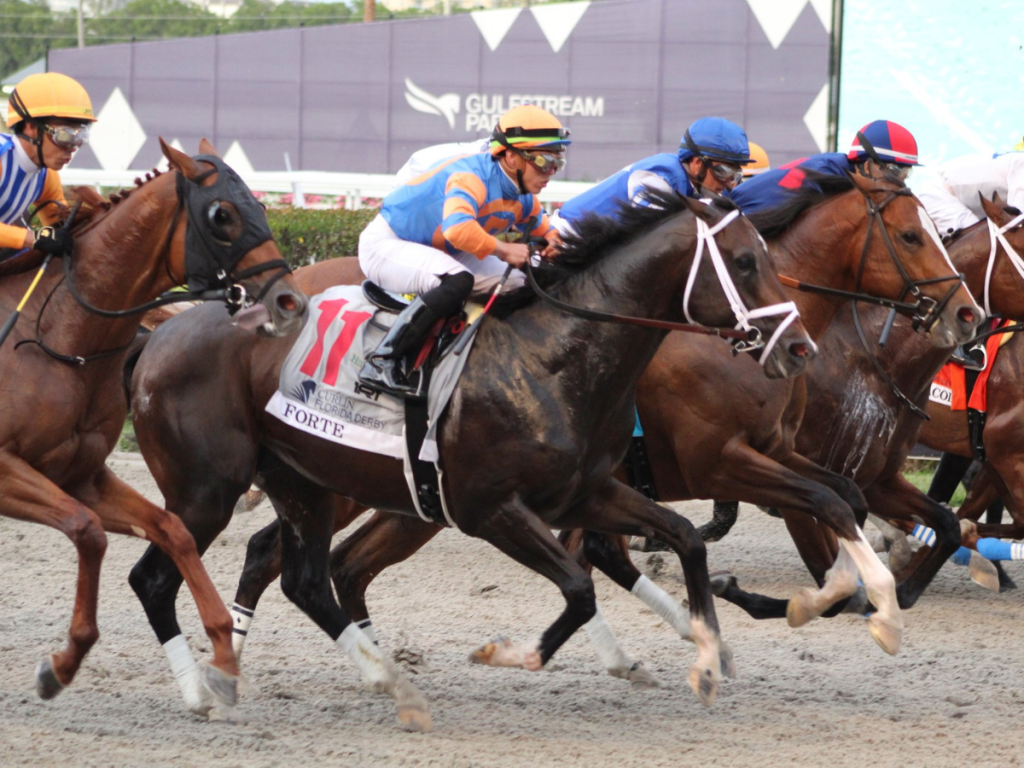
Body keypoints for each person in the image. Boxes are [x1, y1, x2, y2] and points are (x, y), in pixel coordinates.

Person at [357, 105, 570, 397]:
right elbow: (457, 230)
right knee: (458, 280)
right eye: (545, 161)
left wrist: (553, 240)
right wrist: (504, 250)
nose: (552, 172)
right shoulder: (470, 176)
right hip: (389, 243)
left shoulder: (520, 193)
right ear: (511, 157)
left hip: (444, 250)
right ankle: (382, 361)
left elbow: (543, 227)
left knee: (520, 284)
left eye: (558, 162)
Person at [553, 116, 752, 233]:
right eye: (723, 171)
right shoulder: (659, 174)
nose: (729, 183)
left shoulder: (699, 187)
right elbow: (654, 234)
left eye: (736, 174)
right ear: (697, 164)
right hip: (566, 237)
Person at [728, 119, 921, 213]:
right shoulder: (832, 178)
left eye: (907, 172)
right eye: (896, 171)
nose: (901, 180)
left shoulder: (840, 169)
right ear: (867, 165)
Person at [1, 72, 96, 256]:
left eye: (80, 138)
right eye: (65, 136)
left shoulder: (46, 177)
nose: (72, 148)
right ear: (31, 128)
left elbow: (60, 228)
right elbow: (38, 239)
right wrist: (34, 238)